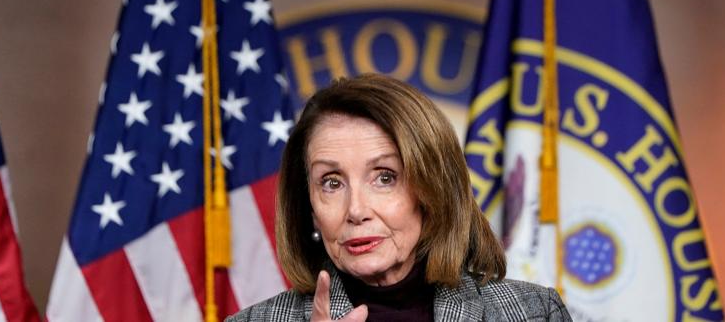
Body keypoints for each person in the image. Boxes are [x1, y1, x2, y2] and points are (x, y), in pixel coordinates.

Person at [229, 73, 570, 321]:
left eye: (385, 178)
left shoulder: (533, 313)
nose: (357, 210)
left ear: (432, 191)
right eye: (331, 183)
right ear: (310, 209)